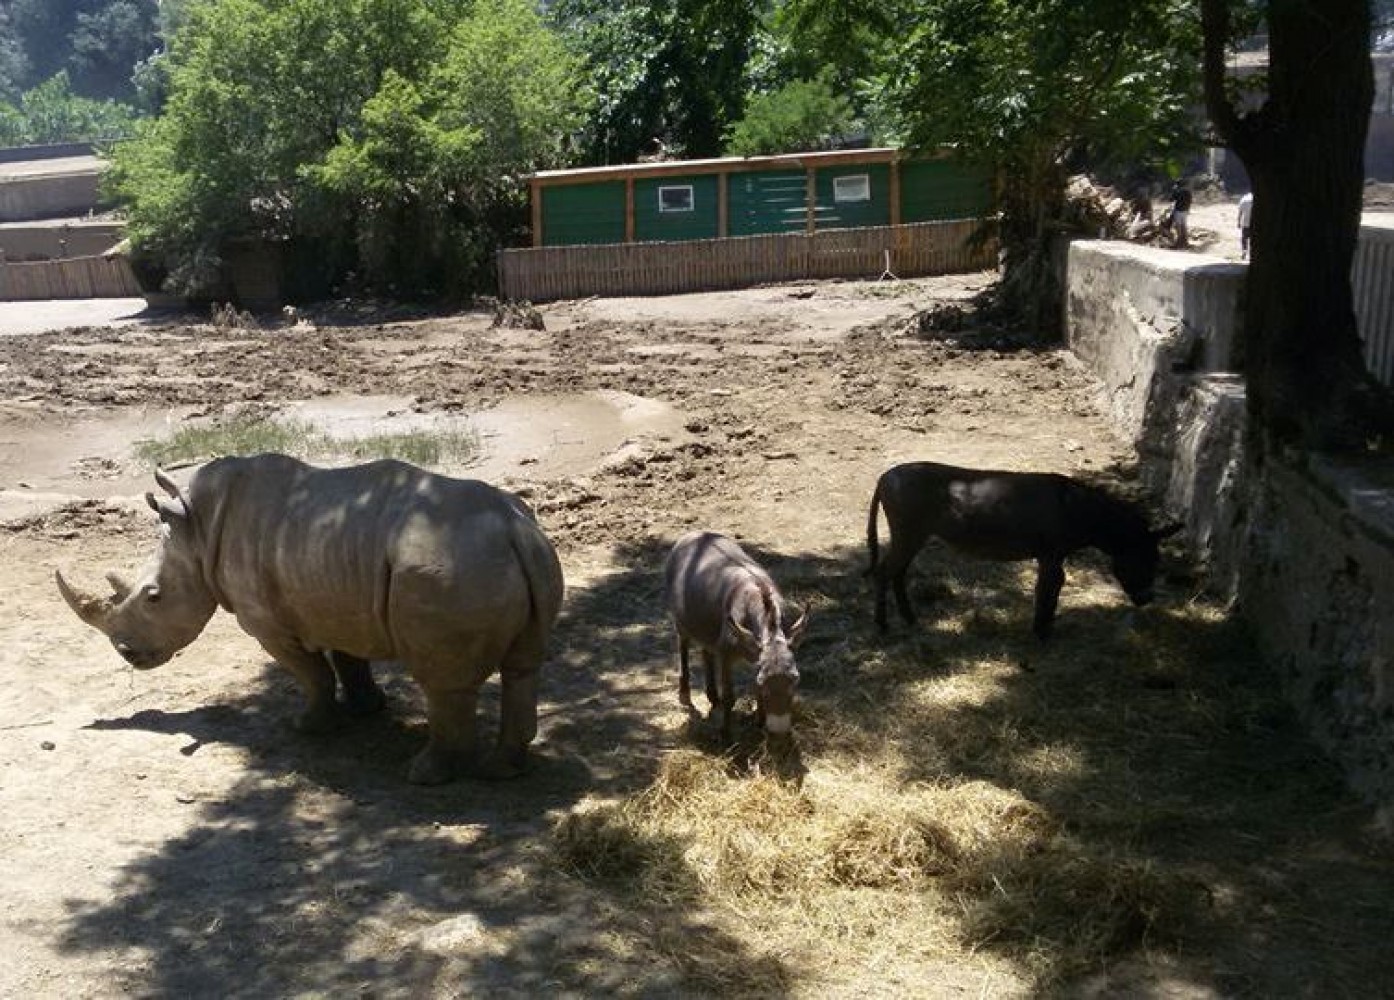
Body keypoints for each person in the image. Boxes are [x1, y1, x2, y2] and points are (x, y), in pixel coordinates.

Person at [1169, 180, 1192, 248]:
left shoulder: (1178, 191)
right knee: (1184, 226)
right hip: (1185, 211)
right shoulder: (1188, 192)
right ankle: (1185, 242)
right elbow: (1190, 201)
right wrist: (1188, 209)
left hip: (1178, 210)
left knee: (1178, 227)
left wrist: (1174, 190)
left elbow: (1171, 199)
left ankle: (1179, 242)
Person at [1236, 190, 1254, 260]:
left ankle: (1244, 251)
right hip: (1255, 223)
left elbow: (1240, 212)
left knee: (1244, 238)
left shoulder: (1244, 199)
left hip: (1246, 223)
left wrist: (1238, 222)